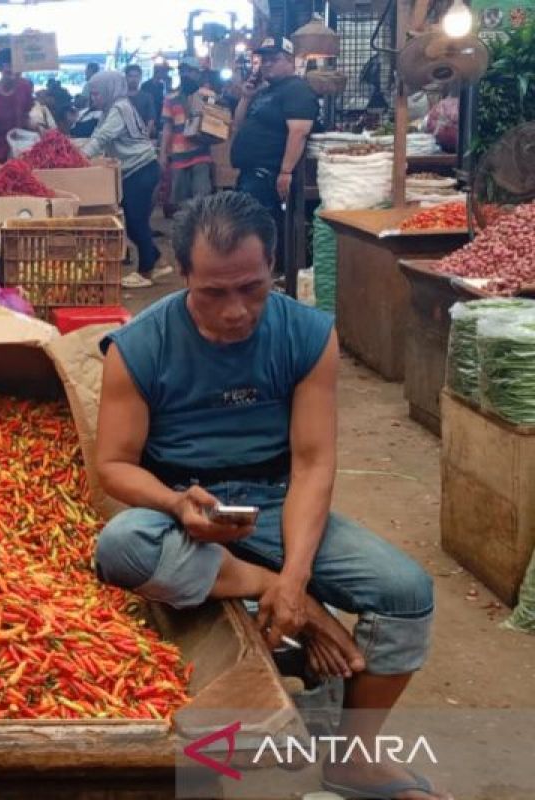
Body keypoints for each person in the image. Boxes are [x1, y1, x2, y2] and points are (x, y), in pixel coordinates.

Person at [94, 192, 443, 800]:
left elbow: (313, 463)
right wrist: (179, 507)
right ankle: (282, 605)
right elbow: (115, 467)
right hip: (186, 508)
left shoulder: (306, 335)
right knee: (122, 545)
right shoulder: (138, 347)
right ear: (183, 275)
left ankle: (353, 757)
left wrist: (298, 570)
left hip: (276, 500)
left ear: (274, 266)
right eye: (214, 293)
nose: (235, 311)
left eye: (252, 288)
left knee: (406, 591)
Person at [231, 35, 318, 270]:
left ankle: (269, 273)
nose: (267, 64)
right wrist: (247, 97)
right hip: (251, 173)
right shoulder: (266, 91)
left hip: (268, 174)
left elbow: (298, 131)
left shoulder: (296, 90)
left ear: (290, 61)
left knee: (260, 227)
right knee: (250, 226)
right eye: (264, 59)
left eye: (274, 59)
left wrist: (286, 171)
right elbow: (238, 124)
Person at [80, 71, 161, 288]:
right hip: (135, 170)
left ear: (109, 90)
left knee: (135, 221)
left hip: (141, 168)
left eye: (97, 93)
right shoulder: (112, 109)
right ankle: (152, 254)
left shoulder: (119, 108)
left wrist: (79, 159)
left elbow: (102, 137)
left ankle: (146, 271)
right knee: (133, 220)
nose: (93, 98)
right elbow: (97, 137)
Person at [159, 56, 214, 210]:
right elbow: (167, 127)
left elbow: (216, 120)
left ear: (198, 74)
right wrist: (163, 153)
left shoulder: (208, 95)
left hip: (201, 153)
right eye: (183, 70)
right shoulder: (171, 98)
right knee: (180, 200)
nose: (186, 74)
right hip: (179, 155)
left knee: (202, 197)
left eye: (190, 71)